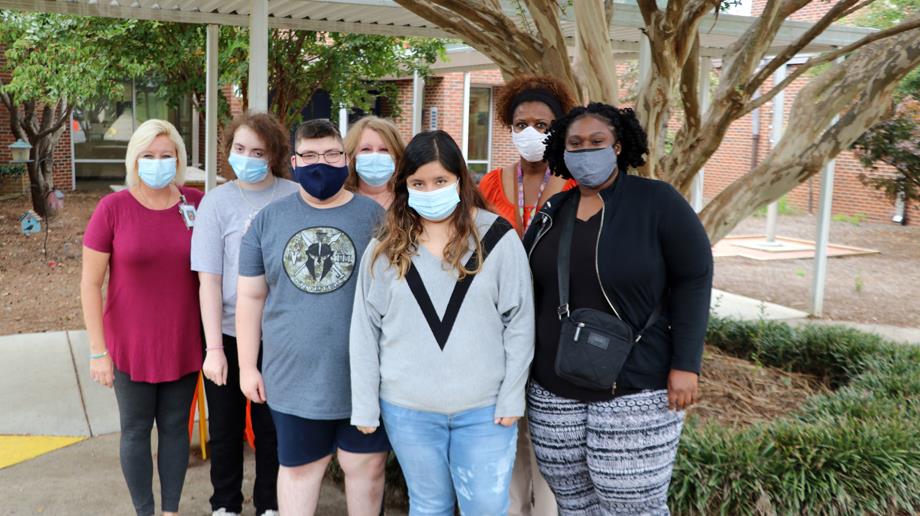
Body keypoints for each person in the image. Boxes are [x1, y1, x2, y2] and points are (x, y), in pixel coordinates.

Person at [522, 103, 713, 515]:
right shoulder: (555, 211)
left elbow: (694, 278)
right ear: (562, 151)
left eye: (596, 142)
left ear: (620, 147)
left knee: (632, 505)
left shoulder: (657, 202)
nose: (585, 151)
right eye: (575, 144)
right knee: (573, 503)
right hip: (554, 389)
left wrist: (687, 364)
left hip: (635, 386)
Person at [350, 130, 535, 515]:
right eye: (418, 183)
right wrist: (365, 403)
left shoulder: (497, 238)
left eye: (440, 181)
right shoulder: (385, 246)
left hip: (485, 409)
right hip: (408, 408)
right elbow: (366, 329)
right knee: (429, 504)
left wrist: (512, 393)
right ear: (404, 186)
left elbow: (520, 321)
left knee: (485, 506)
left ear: (460, 181)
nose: (430, 191)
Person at [236, 119, 389, 516]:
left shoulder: (375, 218)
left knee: (366, 467)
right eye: (310, 155)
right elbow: (250, 297)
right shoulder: (269, 220)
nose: (322, 164)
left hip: (363, 376)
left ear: (346, 159)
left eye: (332, 154)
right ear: (293, 161)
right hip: (293, 377)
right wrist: (247, 366)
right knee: (300, 470)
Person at [81, 119, 203, 516]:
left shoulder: (195, 204)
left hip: (182, 341)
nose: (158, 163)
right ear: (134, 160)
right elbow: (89, 284)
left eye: (166, 155)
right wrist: (98, 352)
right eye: (149, 156)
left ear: (179, 159)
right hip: (129, 345)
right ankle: (144, 511)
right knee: (135, 431)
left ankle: (170, 511)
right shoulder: (112, 209)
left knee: (173, 431)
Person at [192, 112, 299, 516]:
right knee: (225, 427)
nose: (248, 157)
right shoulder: (216, 203)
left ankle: (270, 504)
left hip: (279, 332)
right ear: (228, 151)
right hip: (227, 332)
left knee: (273, 427)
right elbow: (209, 281)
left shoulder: (294, 195)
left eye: (258, 151)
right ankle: (225, 504)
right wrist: (214, 349)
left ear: (273, 155)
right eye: (240, 149)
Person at [479, 75, 578, 238]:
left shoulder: (576, 184)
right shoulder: (491, 185)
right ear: (511, 128)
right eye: (521, 125)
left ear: (558, 128)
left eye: (541, 125)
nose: (530, 132)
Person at [343, 115, 406, 209]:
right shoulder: (339, 200)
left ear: (397, 156)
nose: (375, 155)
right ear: (352, 155)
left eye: (384, 149)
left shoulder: (408, 202)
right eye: (366, 149)